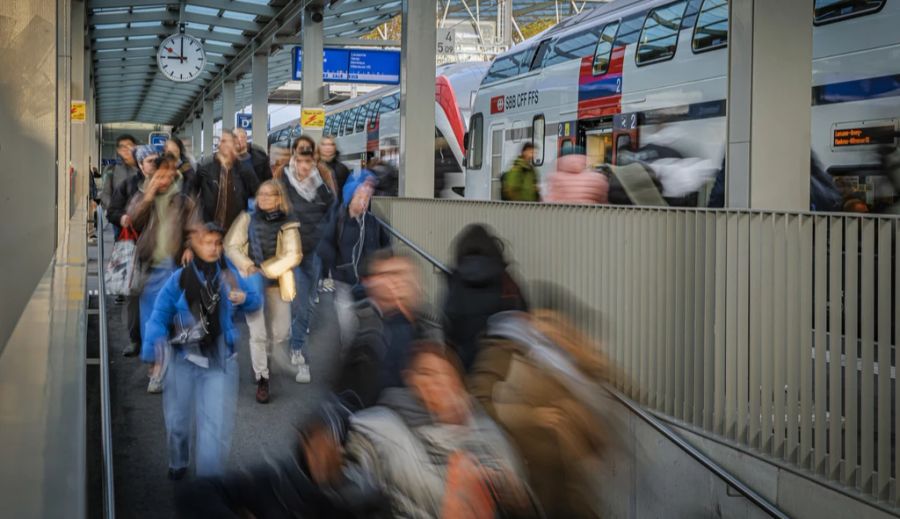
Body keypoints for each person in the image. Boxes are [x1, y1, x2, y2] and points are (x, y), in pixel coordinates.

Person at [175, 342, 537, 518]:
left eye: (440, 376)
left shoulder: (489, 442)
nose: (432, 387)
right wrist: (325, 443)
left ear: (459, 383)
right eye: (422, 377)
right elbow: (353, 440)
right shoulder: (389, 426)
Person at [143, 222, 262, 480]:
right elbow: (159, 315)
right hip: (182, 358)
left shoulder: (229, 275)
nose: (213, 247)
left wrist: (245, 297)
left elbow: (254, 298)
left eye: (217, 243)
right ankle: (178, 460)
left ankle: (208, 485)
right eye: (206, 242)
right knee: (177, 422)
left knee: (214, 426)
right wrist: (152, 353)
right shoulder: (180, 279)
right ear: (193, 245)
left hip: (220, 359)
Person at [468, 305, 609, 517]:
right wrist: (530, 416)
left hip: (563, 473)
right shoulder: (501, 351)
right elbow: (479, 404)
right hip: (528, 471)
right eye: (544, 320)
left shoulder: (546, 353)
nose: (550, 328)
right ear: (526, 319)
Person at [331, 250, 442, 410]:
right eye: (385, 275)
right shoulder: (355, 325)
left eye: (400, 274)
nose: (395, 282)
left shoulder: (431, 325)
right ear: (370, 283)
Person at [224, 180, 303, 403]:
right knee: (257, 334)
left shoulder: (289, 222)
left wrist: (265, 269)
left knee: (280, 333)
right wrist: (249, 266)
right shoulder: (247, 218)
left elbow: (293, 254)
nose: (264, 198)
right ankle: (262, 378)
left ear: (279, 198)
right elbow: (231, 246)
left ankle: (267, 358)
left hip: (279, 284)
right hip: (253, 285)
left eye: (269, 195)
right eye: (261, 194)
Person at [129, 154, 200, 392]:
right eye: (160, 174)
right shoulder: (141, 196)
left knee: (176, 318)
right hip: (150, 266)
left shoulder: (182, 200)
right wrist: (148, 196)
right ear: (151, 175)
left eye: (169, 174)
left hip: (174, 266)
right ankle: (156, 368)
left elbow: (194, 228)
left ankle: (173, 364)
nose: (165, 179)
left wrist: (189, 247)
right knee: (151, 320)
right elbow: (134, 223)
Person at [280, 143, 336, 383]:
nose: (304, 167)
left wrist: (322, 238)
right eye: (300, 162)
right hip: (291, 254)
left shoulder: (322, 189)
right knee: (297, 303)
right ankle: (297, 346)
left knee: (306, 305)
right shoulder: (283, 184)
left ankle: (296, 342)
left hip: (312, 254)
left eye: (308, 163)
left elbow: (331, 214)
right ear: (294, 161)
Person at [442, 224, 528, 371]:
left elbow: (449, 329)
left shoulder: (455, 282)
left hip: (466, 366)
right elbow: (523, 319)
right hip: (503, 366)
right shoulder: (506, 280)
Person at [108, 145, 158, 357]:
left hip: (160, 248)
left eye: (157, 160)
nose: (154, 165)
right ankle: (134, 339)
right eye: (150, 161)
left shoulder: (166, 183)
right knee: (134, 295)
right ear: (140, 164)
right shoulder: (129, 186)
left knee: (158, 295)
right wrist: (122, 218)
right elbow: (112, 211)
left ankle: (155, 340)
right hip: (136, 249)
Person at [318, 175, 390, 295]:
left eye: (367, 197)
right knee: (346, 311)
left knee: (367, 312)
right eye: (360, 196)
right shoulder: (339, 220)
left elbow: (386, 246)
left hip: (369, 282)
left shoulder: (373, 222)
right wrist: (336, 269)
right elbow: (325, 246)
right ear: (350, 200)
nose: (364, 200)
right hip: (344, 282)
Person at [196, 129, 260, 230]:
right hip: (209, 226)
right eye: (220, 141)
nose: (220, 144)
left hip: (235, 228)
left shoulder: (243, 168)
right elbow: (192, 190)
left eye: (225, 141)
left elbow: (257, 191)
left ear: (234, 144)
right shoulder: (207, 167)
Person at [544, 153, 609, 204]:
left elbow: (550, 201)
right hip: (590, 216)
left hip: (562, 216)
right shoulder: (597, 178)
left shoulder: (556, 178)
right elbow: (603, 200)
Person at [99, 134, 138, 218]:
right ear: (118, 150)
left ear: (135, 147)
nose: (126, 149)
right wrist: (116, 211)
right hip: (119, 220)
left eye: (129, 146)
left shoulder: (144, 168)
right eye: (122, 147)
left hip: (140, 218)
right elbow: (105, 194)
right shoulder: (111, 170)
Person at [319, 135, 350, 204]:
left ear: (335, 147)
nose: (328, 147)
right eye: (324, 144)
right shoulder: (314, 167)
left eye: (331, 144)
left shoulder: (343, 169)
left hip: (338, 209)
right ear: (319, 147)